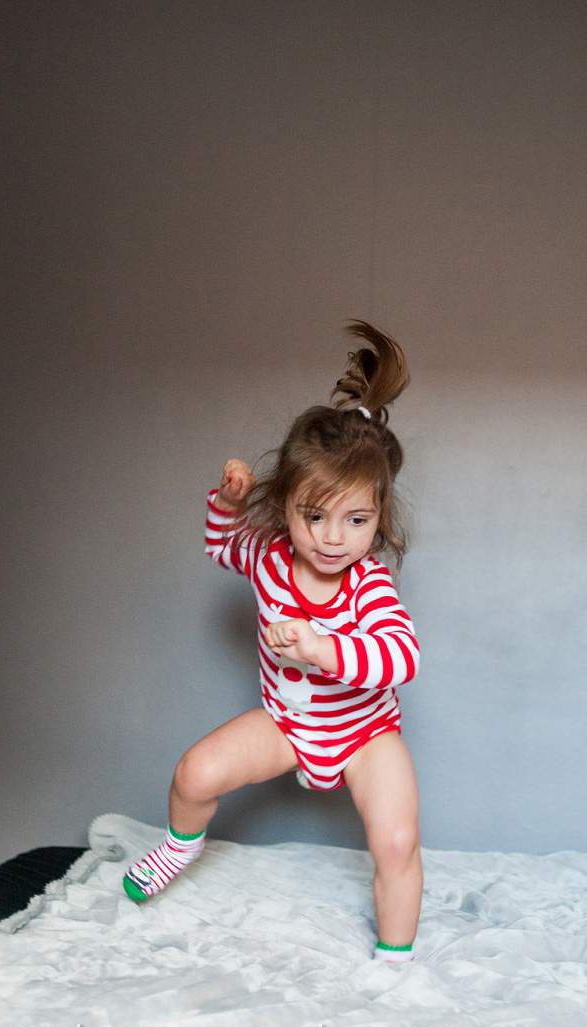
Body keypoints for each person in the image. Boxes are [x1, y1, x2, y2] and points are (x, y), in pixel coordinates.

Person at [122, 321, 423, 965]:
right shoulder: (270, 557)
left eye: (357, 520)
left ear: (380, 516)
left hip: (365, 734)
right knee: (194, 773)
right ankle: (180, 846)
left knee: (396, 843)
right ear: (286, 505)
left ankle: (395, 961)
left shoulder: (367, 582)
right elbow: (219, 545)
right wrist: (228, 505)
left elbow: (402, 656)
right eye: (315, 515)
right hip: (289, 723)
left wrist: (320, 648)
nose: (333, 538)